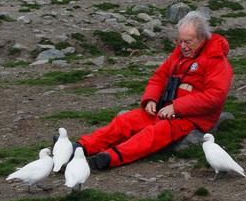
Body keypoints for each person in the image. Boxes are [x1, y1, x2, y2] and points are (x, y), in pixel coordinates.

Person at [77, 11, 232, 170]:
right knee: (125, 121)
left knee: (154, 134)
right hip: (164, 107)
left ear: (202, 38)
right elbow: (159, 76)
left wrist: (177, 107)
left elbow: (215, 97)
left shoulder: (216, 59)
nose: (182, 46)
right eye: (179, 41)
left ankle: (110, 157)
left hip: (190, 116)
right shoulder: (179, 53)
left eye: (188, 41)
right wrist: (151, 99)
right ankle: (82, 147)